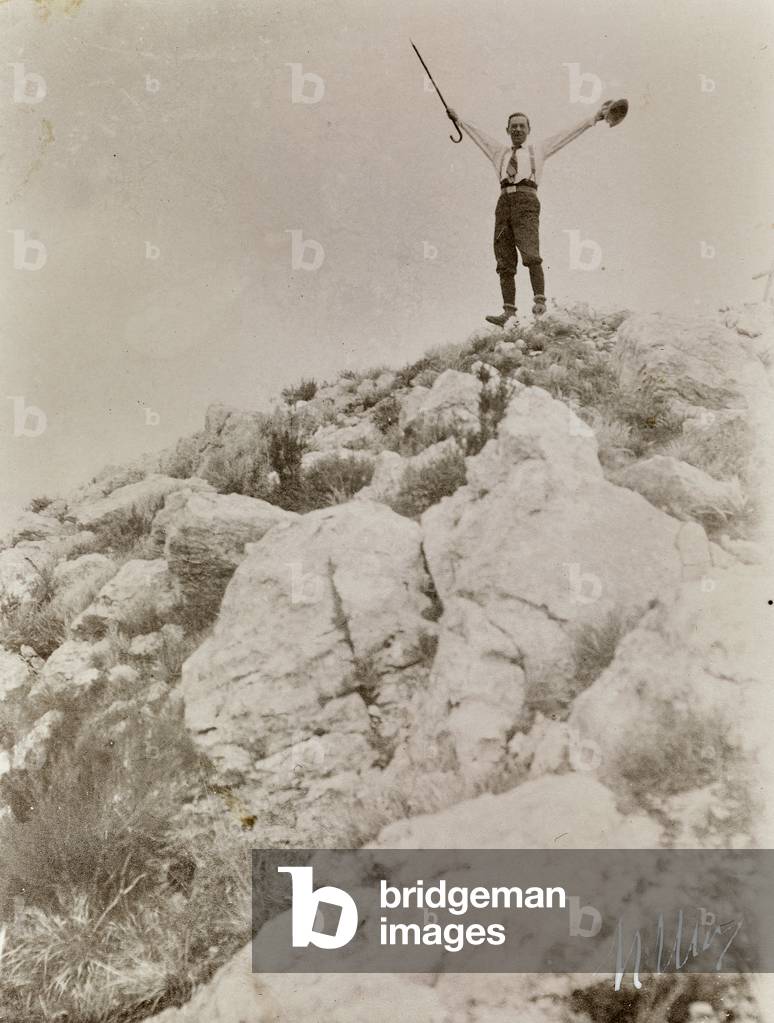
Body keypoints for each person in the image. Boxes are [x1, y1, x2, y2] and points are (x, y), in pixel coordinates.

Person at [446, 100, 623, 327]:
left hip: (526, 200)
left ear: (529, 130)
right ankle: (508, 312)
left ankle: (539, 304)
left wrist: (595, 118)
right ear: (507, 130)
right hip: (504, 202)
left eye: (522, 126)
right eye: (513, 126)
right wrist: (458, 119)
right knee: (504, 258)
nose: (517, 129)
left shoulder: (537, 150)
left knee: (530, 253)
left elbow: (567, 135)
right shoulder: (499, 153)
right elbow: (479, 136)